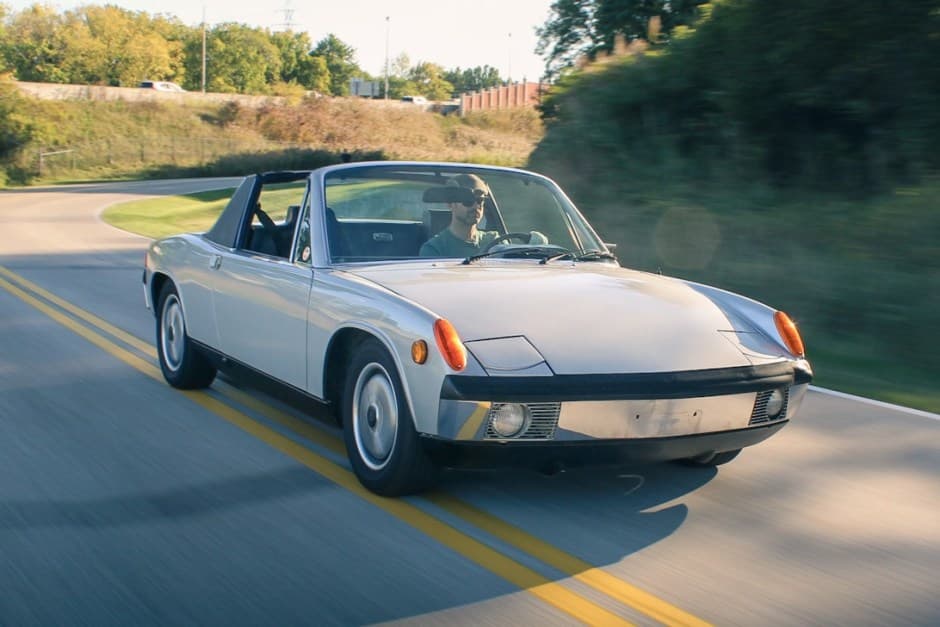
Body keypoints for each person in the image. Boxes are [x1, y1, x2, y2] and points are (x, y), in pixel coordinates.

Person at [419, 174, 500, 257]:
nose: (475, 206)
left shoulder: (494, 241)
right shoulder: (435, 248)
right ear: (450, 204)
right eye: (468, 201)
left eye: (480, 200)